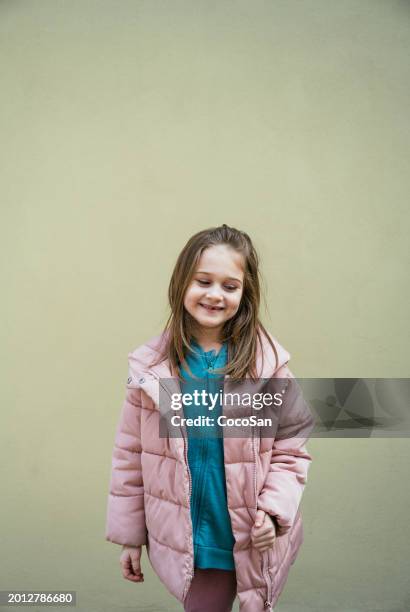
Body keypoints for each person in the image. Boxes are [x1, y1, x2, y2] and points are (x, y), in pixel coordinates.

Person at [105, 224, 315, 612]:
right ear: (182, 282)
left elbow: (292, 451)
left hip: (250, 536)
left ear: (245, 293)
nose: (215, 294)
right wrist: (130, 535)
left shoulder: (268, 367)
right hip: (195, 545)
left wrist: (273, 510)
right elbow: (130, 456)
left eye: (230, 286)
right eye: (204, 281)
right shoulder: (152, 370)